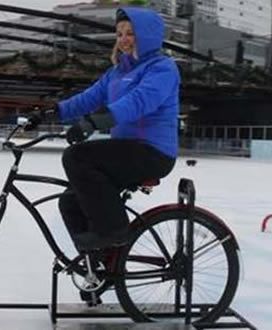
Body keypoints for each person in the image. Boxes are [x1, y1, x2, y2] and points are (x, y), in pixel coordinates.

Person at [26, 8, 180, 251]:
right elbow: (88, 98)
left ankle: (114, 231)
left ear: (147, 36)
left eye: (131, 33)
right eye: (119, 34)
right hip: (125, 151)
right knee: (70, 201)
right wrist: (51, 112)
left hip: (152, 152)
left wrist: (96, 121)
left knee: (77, 157)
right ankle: (97, 265)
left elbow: (140, 101)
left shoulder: (162, 68)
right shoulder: (117, 73)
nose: (123, 39)